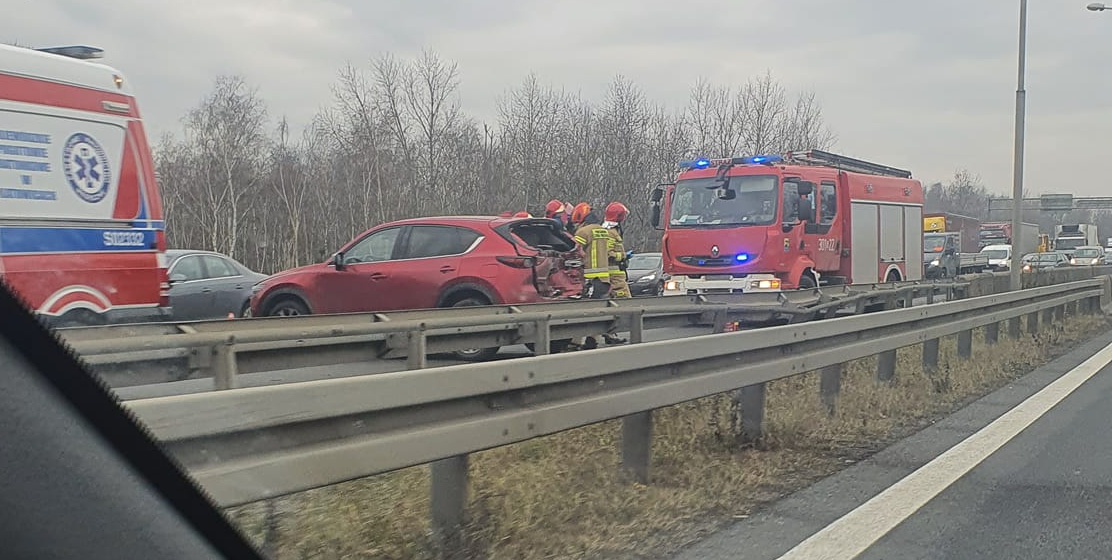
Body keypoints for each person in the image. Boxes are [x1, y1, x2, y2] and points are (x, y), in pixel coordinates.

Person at [569, 202, 611, 350]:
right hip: (604, 278)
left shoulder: (583, 232)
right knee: (597, 310)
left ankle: (576, 341)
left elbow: (574, 252)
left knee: (582, 311)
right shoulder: (603, 230)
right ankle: (593, 339)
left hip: (589, 277)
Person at [603, 202, 631, 299]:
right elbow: (608, 253)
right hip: (615, 276)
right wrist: (623, 256)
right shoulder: (610, 233)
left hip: (617, 274)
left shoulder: (612, 231)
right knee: (625, 300)